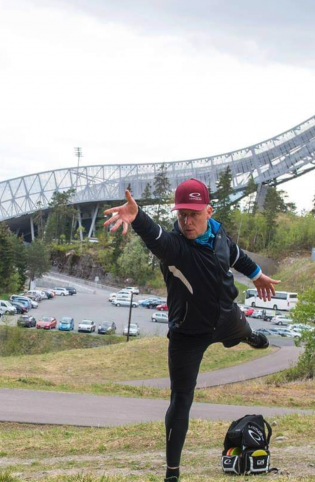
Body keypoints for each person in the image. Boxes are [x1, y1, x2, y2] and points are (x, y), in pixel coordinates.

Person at [103, 178, 281, 482]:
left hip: (226, 316)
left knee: (242, 327)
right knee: (181, 399)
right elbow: (156, 237)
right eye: (181, 214)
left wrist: (257, 274)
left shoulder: (218, 232)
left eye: (194, 214)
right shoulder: (175, 248)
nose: (186, 222)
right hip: (188, 333)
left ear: (208, 211)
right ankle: (172, 473)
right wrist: (139, 217)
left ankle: (247, 336)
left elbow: (235, 254)